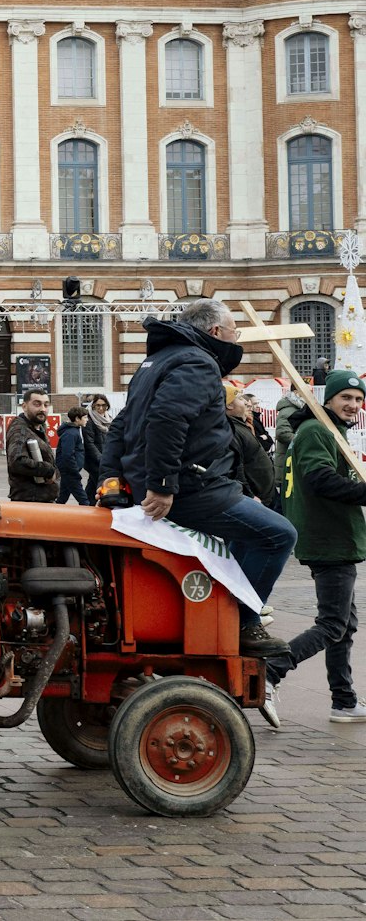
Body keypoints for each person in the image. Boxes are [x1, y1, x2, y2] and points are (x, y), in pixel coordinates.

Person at [101, 298, 297, 657]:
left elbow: (122, 425)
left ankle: (227, 606)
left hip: (182, 481)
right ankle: (241, 621)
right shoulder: (197, 362)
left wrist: (110, 478)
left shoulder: (156, 361)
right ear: (216, 331)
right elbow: (168, 420)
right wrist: (162, 487)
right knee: (279, 534)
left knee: (245, 535)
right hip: (192, 487)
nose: (236, 339)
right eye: (234, 332)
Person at [266, 367, 366, 725]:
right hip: (329, 539)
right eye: (346, 398)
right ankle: (272, 670)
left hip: (336, 537)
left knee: (344, 625)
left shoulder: (328, 431)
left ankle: (343, 700)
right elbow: (321, 479)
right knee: (332, 625)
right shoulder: (316, 431)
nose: (353, 405)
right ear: (328, 400)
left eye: (358, 399)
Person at [226, 383, 277, 511]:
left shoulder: (240, 426)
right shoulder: (231, 430)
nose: (247, 403)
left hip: (265, 496)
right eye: (240, 399)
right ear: (229, 405)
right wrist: (249, 495)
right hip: (257, 500)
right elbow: (237, 466)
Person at [6, 389, 58, 502]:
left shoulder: (38, 427)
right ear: (24, 406)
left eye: (46, 404)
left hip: (42, 499)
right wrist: (48, 470)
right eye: (37, 404)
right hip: (31, 501)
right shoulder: (20, 430)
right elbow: (17, 461)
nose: (43, 409)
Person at [55, 407, 90, 505]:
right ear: (77, 419)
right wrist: (74, 471)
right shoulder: (71, 433)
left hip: (69, 470)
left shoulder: (74, 431)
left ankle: (53, 516)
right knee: (83, 500)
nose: (87, 420)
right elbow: (67, 455)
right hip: (69, 471)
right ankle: (88, 517)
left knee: (62, 497)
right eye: (85, 417)